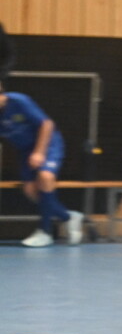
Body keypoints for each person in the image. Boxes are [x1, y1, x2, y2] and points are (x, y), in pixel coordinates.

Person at [0, 83, 83, 247]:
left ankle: (45, 231)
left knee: (45, 176)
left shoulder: (18, 101)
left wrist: (39, 152)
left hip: (48, 143)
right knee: (30, 191)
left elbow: (46, 124)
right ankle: (68, 217)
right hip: (25, 150)